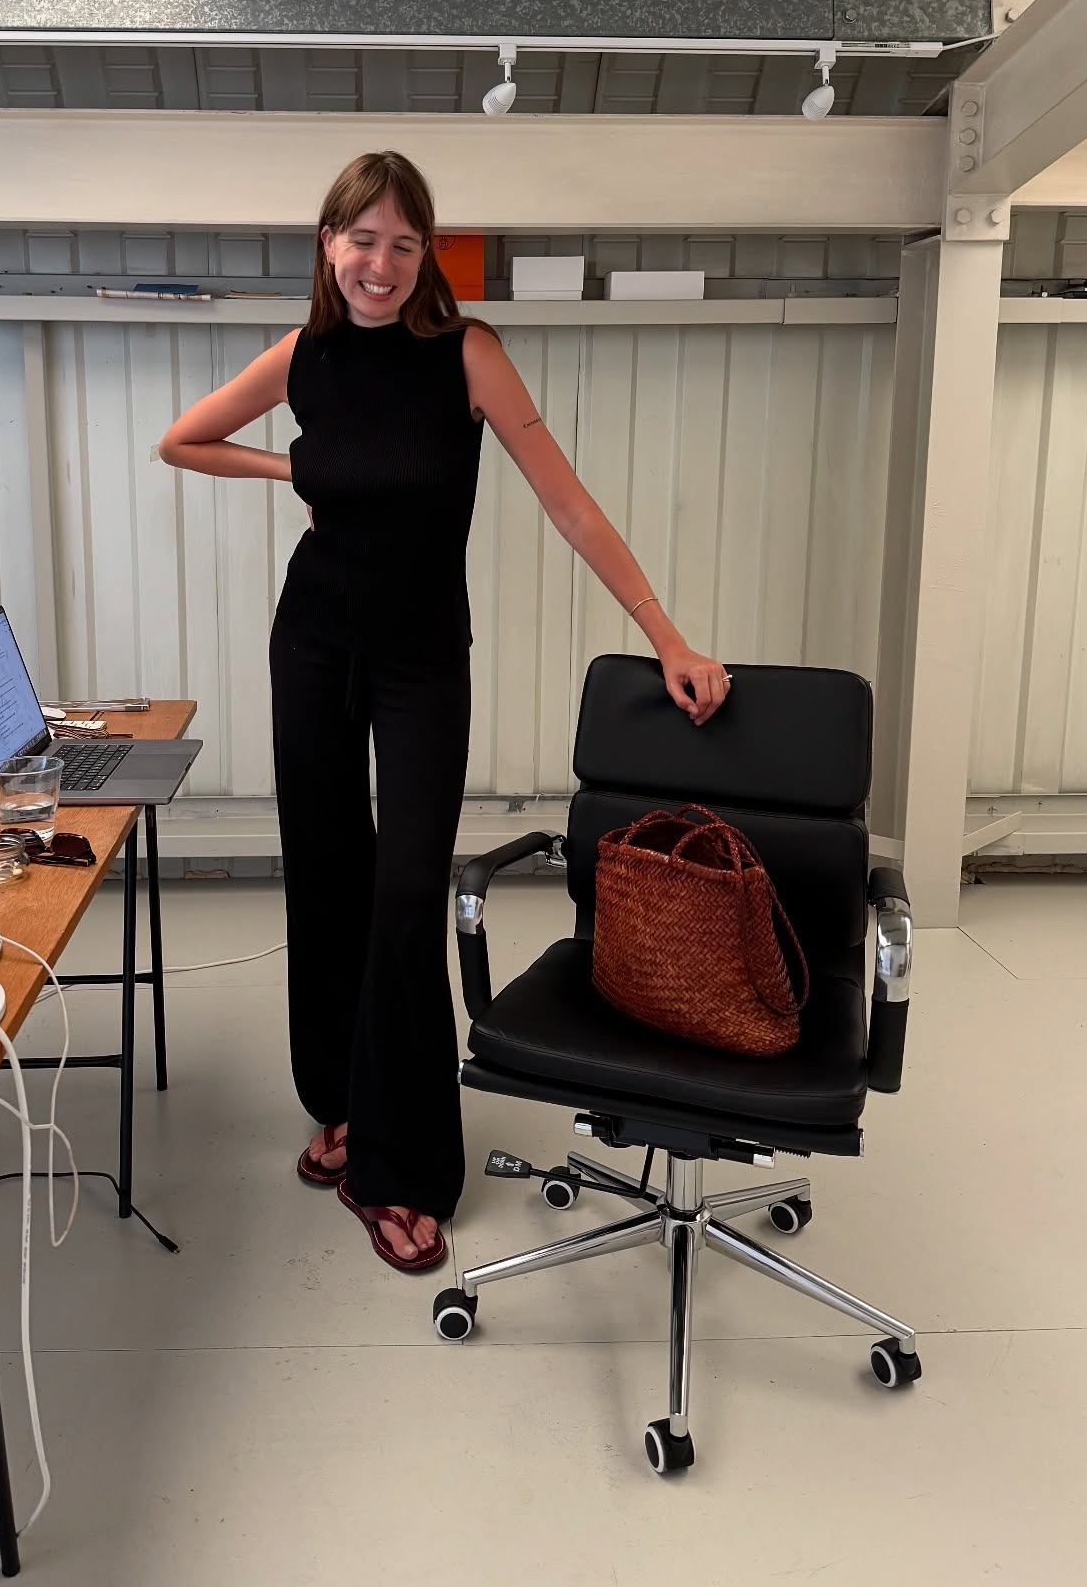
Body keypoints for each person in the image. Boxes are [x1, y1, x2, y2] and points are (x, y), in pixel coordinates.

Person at [159, 151, 730, 1274]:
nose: (380, 264)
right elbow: (180, 439)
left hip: (422, 658)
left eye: (403, 244)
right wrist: (296, 474)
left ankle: (402, 1166)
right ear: (328, 244)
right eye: (362, 240)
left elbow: (569, 505)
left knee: (407, 893)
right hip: (312, 643)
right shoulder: (303, 356)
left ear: (427, 256)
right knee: (327, 873)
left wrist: (667, 635)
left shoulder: (467, 354)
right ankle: (344, 1103)